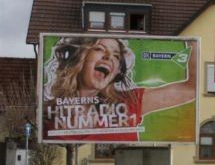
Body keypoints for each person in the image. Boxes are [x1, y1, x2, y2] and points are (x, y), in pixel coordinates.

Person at [42, 36, 196, 142]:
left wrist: (193, 42)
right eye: (99, 49)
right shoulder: (48, 114)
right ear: (80, 56)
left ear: (117, 71)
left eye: (116, 56)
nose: (109, 56)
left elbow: (191, 89)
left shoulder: (129, 103)